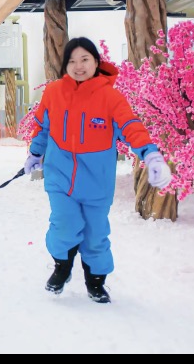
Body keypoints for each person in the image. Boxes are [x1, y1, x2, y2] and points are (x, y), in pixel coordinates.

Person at [24, 36, 172, 304]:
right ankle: (62, 268)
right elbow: (42, 126)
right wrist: (35, 153)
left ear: (96, 62)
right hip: (60, 176)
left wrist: (150, 154)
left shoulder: (110, 96)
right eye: (72, 61)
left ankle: (95, 282)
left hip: (97, 182)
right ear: (64, 64)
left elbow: (130, 126)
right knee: (64, 225)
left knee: (95, 234)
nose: (78, 66)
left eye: (85, 59)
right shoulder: (54, 91)